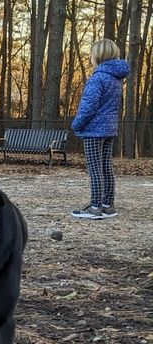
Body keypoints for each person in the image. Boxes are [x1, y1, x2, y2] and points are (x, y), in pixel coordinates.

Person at [70, 38, 130, 220]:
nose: (90, 58)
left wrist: (76, 124)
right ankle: (107, 205)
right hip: (109, 128)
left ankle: (95, 207)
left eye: (91, 55)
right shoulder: (116, 78)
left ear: (98, 56)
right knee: (106, 167)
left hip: (93, 130)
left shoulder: (97, 78)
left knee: (95, 169)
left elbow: (88, 106)